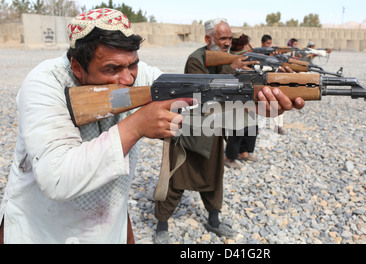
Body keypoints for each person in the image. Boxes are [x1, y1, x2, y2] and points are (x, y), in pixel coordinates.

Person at [0, 8, 194, 244]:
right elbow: (57, 178)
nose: (128, 79)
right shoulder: (44, 83)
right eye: (111, 69)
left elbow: (192, 99)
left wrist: (243, 100)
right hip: (42, 228)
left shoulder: (137, 74)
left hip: (107, 224)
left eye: (132, 65)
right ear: (77, 67)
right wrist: (135, 127)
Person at [153, 18, 305, 244]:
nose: (227, 43)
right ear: (208, 39)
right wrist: (233, 68)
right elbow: (203, 89)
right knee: (177, 180)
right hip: (190, 130)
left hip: (213, 129)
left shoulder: (232, 58)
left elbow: (243, 87)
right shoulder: (197, 59)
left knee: (214, 178)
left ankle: (213, 221)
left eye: (229, 38)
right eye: (222, 38)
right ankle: (162, 225)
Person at [225, 32, 259, 169]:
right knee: (238, 128)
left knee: (251, 126)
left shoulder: (245, 55)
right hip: (236, 97)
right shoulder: (231, 58)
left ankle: (244, 152)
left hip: (248, 96)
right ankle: (229, 157)